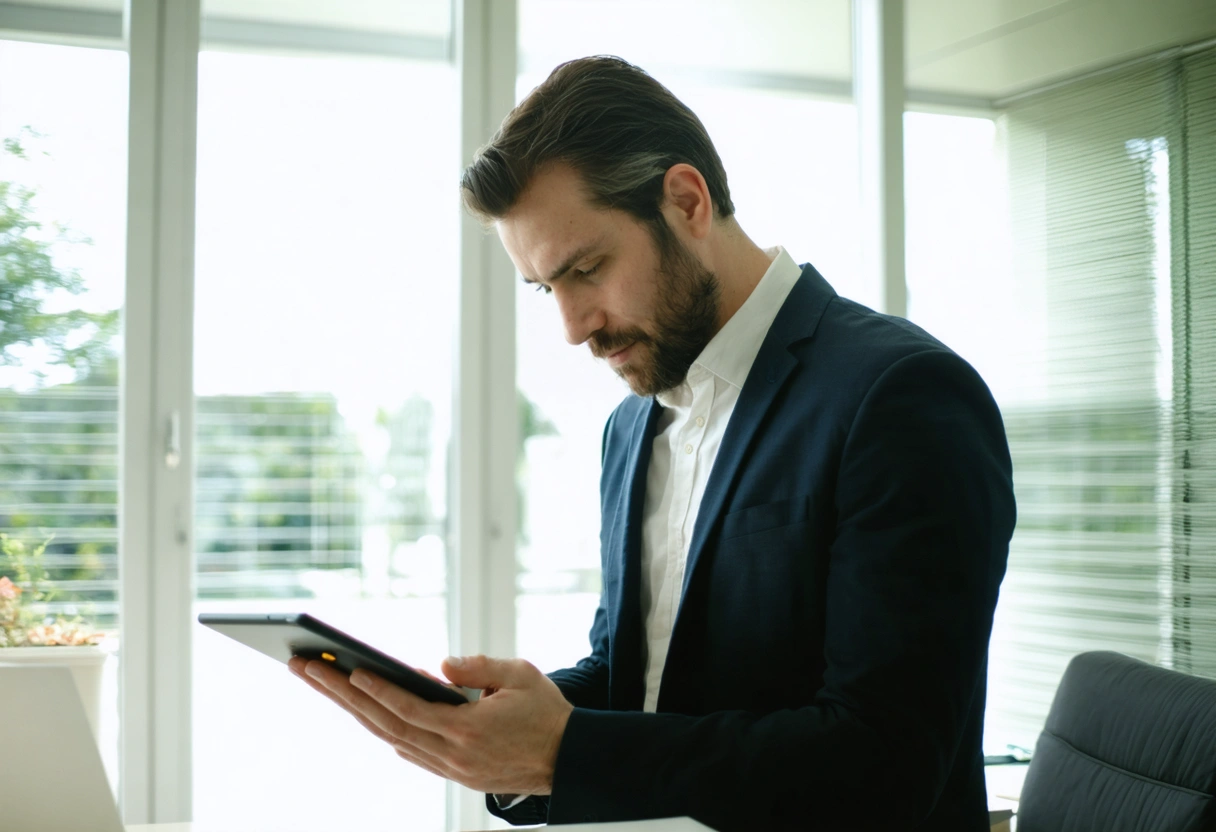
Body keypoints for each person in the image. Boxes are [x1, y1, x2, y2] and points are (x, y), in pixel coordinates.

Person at [289, 55, 1016, 831]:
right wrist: (495, 728)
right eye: (546, 290)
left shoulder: (902, 396)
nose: (573, 327)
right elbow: (638, 675)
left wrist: (563, 753)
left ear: (686, 200)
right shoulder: (632, 426)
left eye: (587, 269)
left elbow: (886, 763)